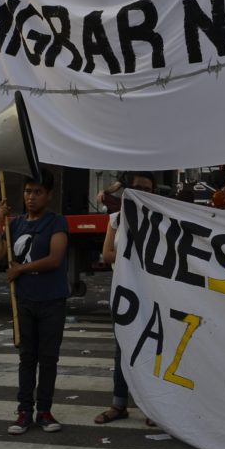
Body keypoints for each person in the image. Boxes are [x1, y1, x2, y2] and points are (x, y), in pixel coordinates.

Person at [0, 169, 69, 435]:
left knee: (48, 359)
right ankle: (24, 411)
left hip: (52, 301)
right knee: (26, 358)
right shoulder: (16, 225)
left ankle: (44, 410)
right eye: (27, 191)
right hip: (24, 301)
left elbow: (55, 259)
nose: (31, 197)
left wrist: (20, 270)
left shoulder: (57, 223)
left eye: (37, 192)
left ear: (48, 195)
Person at [94, 171, 156, 426]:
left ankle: (155, 407)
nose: (142, 192)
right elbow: (106, 254)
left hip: (152, 292)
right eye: (138, 187)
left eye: (148, 189)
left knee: (152, 345)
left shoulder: (159, 220)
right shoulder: (116, 219)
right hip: (122, 291)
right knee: (122, 347)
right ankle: (119, 404)